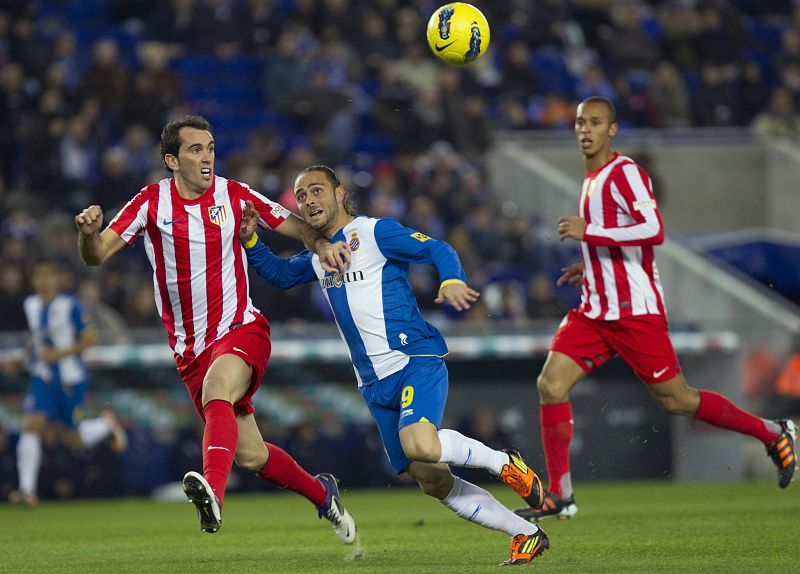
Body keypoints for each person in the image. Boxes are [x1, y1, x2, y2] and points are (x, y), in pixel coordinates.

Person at [239, 165, 549, 566]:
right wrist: (250, 237)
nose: (308, 200)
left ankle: (504, 462)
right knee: (432, 480)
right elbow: (280, 275)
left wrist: (451, 279)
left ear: (339, 193)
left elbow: (438, 248)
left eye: (317, 190)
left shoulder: (374, 232)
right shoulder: (321, 254)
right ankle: (526, 534)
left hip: (411, 359)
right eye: (300, 196)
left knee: (419, 443)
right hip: (373, 383)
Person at [514, 96, 798, 522]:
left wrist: (588, 232)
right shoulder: (590, 181)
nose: (585, 130)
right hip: (595, 311)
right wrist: (589, 267)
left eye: (594, 122)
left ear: (612, 130)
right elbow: (618, 240)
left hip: (634, 312)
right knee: (551, 384)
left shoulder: (625, 173)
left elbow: (654, 230)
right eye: (579, 123)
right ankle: (561, 495)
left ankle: (773, 433)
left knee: (678, 400)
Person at [73, 115, 356, 541]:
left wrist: (322, 243)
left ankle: (213, 498)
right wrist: (88, 235)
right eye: (195, 150)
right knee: (251, 455)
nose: (207, 158)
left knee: (217, 388)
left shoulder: (234, 193)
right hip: (190, 351)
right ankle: (324, 495)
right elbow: (96, 255)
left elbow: (295, 227)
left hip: (241, 327)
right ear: (172, 160)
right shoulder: (149, 203)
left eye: (210, 148)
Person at [9, 259, 127, 507]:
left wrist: (59, 355)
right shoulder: (30, 304)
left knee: (71, 438)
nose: (43, 280)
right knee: (31, 424)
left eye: (48, 275)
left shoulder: (69, 305)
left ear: (56, 279)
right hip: (42, 376)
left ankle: (105, 425)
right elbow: (38, 339)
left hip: (70, 378)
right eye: (38, 275)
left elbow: (91, 338)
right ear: (34, 280)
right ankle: (26, 491)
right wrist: (23, 358)